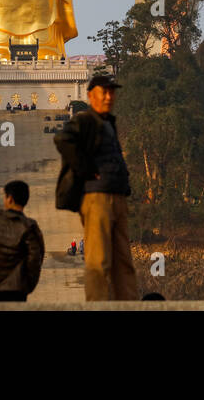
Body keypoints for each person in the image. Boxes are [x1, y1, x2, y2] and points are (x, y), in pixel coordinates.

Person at [54, 72, 137, 301]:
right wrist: (86, 169)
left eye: (112, 92)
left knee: (124, 262)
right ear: (91, 95)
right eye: (104, 92)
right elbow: (63, 140)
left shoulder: (108, 122)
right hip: (97, 197)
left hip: (117, 196)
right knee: (98, 260)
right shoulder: (85, 120)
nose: (109, 97)